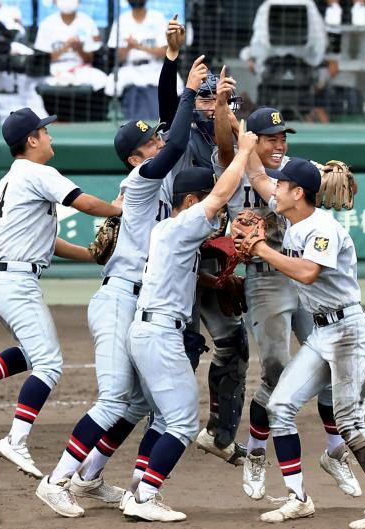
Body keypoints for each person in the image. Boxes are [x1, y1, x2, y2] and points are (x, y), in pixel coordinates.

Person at [34, 53, 209, 518]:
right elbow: (173, 143)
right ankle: (56, 481)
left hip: (141, 302)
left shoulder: (164, 183)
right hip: (118, 298)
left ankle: (91, 477)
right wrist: (189, 91)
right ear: (135, 158)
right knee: (115, 398)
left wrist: (172, 67)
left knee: (139, 404)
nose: (159, 144)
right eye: (149, 144)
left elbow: (174, 128)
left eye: (155, 139)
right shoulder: (140, 180)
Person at [233, 159, 365, 528]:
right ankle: (298, 499)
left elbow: (308, 273)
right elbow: (260, 177)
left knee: (350, 421)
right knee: (279, 407)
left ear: (298, 193)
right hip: (322, 333)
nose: (274, 191)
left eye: (282, 187)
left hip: (349, 331)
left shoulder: (322, 228)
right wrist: (240, 133)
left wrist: (262, 249)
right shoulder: (293, 219)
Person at [0, 108, 122, 479]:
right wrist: (118, 210)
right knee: (49, 364)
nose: (50, 137)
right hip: (15, 282)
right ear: (31, 139)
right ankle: (15, 440)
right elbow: (83, 202)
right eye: (45, 131)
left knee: (33, 353)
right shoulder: (38, 172)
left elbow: (47, 240)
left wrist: (90, 255)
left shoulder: (12, 178)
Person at [213, 106, 360, 501]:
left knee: (331, 364)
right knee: (277, 370)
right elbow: (232, 152)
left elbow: (318, 190)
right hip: (266, 280)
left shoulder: (296, 171)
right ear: (253, 140)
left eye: (283, 138)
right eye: (270, 138)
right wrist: (225, 113)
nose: (279, 144)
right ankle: (257, 453)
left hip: (304, 279)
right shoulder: (235, 163)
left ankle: (334, 452)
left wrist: (320, 178)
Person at [123, 130, 257, 522]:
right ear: (191, 201)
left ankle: (138, 487)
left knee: (166, 418)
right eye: (207, 199)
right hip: (160, 334)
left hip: (152, 329)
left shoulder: (167, 230)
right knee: (181, 422)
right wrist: (244, 150)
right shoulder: (182, 227)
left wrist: (219, 282)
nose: (215, 213)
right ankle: (146, 496)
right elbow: (219, 197)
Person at [106, 0, 168, 120]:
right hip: (130, 68)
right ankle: (115, 113)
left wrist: (138, 46)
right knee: (111, 83)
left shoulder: (157, 18)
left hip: (154, 67)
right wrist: (129, 47)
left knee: (176, 83)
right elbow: (118, 58)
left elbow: (165, 52)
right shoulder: (122, 20)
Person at [34, 0, 107, 91]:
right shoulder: (46, 24)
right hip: (54, 70)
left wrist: (79, 49)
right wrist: (65, 47)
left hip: (80, 69)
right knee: (34, 82)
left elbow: (91, 59)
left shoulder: (88, 22)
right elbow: (42, 59)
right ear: (55, 1)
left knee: (102, 80)